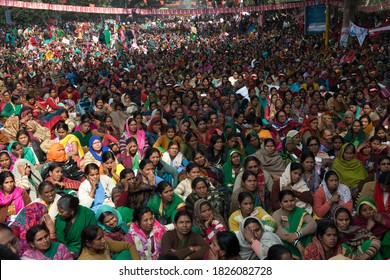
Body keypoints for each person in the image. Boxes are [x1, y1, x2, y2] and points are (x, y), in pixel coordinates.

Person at [272, 190, 317, 259]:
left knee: (307, 229)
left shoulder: (300, 212)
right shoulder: (277, 214)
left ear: (295, 201)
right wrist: (296, 243)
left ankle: (307, 255)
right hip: (287, 246)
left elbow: (313, 225)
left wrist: (297, 234)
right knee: (284, 231)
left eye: (291, 200)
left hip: (301, 241)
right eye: (285, 201)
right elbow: (278, 230)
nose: (289, 203)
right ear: (280, 203)